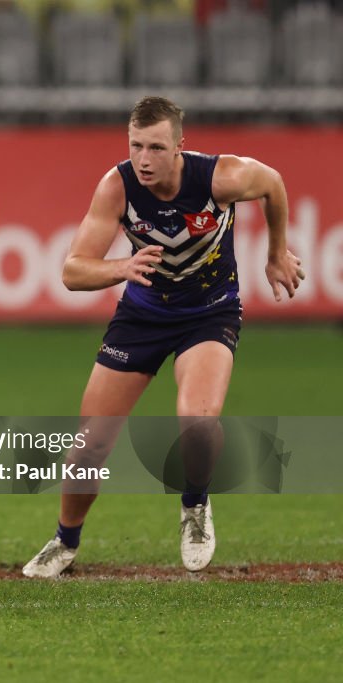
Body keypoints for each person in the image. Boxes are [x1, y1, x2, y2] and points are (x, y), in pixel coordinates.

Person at [22, 95, 305, 578]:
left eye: (156, 147)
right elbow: (72, 271)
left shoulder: (221, 177)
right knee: (90, 444)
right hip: (142, 315)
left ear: (180, 147)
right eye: (136, 146)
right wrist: (121, 268)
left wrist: (277, 250)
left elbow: (273, 183)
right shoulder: (117, 187)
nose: (144, 159)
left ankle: (194, 507)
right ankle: (64, 542)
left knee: (197, 417)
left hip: (209, 312)